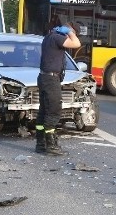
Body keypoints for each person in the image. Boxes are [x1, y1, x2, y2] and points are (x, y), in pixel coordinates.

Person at [35, 23, 81, 155]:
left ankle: (41, 144)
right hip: (51, 79)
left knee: (43, 112)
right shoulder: (57, 38)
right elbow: (76, 43)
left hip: (44, 77)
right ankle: (51, 146)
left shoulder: (49, 37)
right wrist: (70, 32)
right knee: (53, 111)